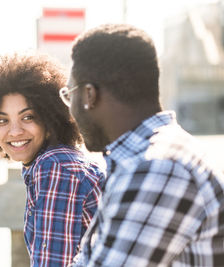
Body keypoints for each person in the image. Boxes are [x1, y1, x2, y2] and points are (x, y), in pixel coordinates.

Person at [59, 23, 224, 266]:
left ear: (89, 95)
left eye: (68, 94)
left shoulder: (157, 167)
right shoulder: (141, 159)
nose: (70, 112)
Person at [0, 52, 105, 267]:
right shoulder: (58, 161)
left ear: (50, 119)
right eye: (2, 120)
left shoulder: (56, 168)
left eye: (28, 117)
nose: (14, 131)